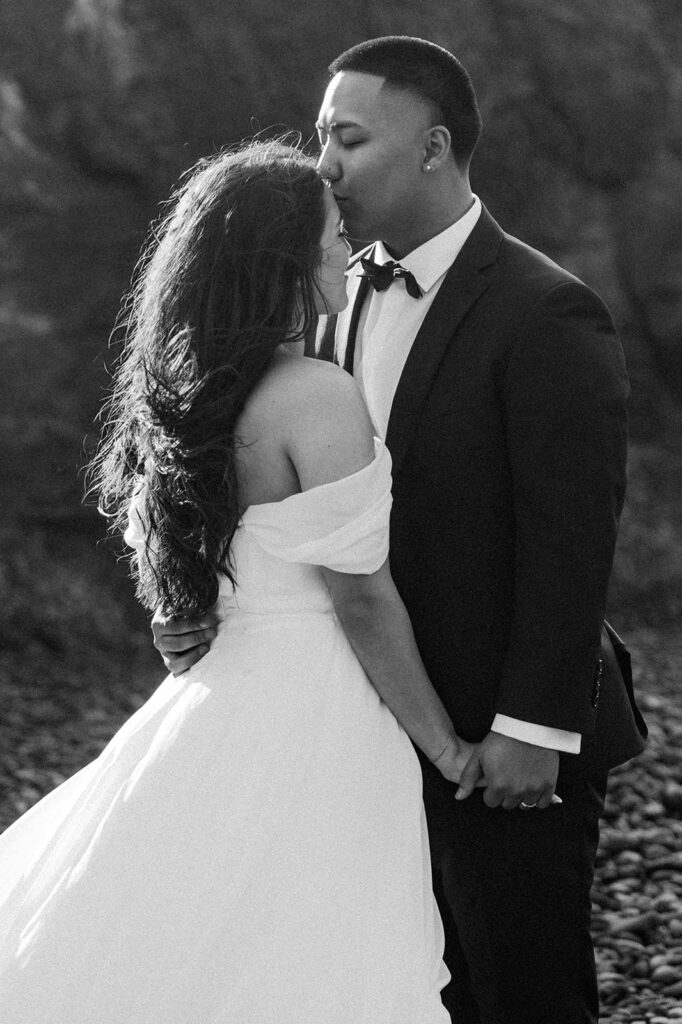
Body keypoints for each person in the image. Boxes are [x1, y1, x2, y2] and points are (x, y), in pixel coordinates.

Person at [156, 38, 648, 1024]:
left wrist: (530, 729)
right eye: (318, 137)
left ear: (431, 147)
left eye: (347, 138)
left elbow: (570, 539)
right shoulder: (321, 303)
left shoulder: (547, 314)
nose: (322, 165)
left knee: (523, 993)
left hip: (497, 741)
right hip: (358, 732)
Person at [0, 139, 482, 1022]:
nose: (350, 254)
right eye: (334, 238)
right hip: (317, 710)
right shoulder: (314, 396)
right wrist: (447, 748)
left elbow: (211, 579)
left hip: (218, 699)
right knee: (307, 951)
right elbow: (362, 599)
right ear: (287, 262)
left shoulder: (188, 399)